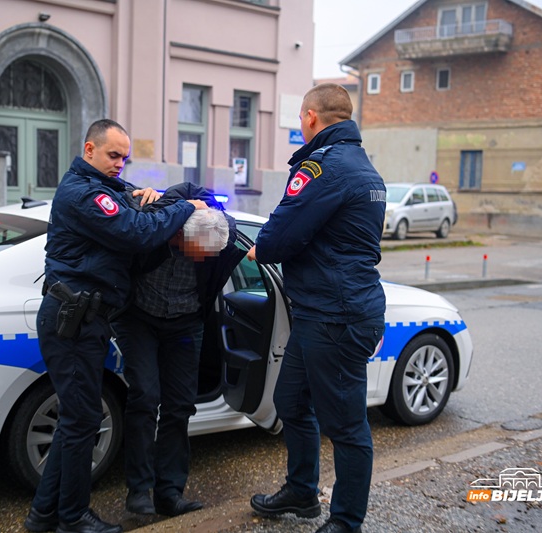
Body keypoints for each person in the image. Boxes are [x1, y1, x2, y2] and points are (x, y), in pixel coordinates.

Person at [23, 119, 207, 533]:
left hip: (86, 319)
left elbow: (134, 207)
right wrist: (184, 207)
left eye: (125, 157)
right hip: (74, 319)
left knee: (77, 419)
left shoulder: (103, 188)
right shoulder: (83, 192)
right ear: (89, 149)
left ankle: (43, 516)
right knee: (81, 421)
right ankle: (73, 518)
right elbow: (136, 232)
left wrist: (156, 197)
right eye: (113, 155)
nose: (121, 164)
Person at [247, 83, 387, 533]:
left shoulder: (322, 166)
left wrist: (261, 247)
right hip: (325, 312)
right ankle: (303, 492)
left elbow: (278, 238)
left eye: (299, 120)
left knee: (347, 426)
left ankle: (346, 521)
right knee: (291, 400)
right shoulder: (363, 166)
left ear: (310, 117)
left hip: (336, 315)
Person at [114, 184, 246, 518]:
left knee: (180, 406)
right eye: (196, 253)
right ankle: (139, 492)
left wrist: (202, 202)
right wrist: (169, 199)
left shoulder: (219, 232)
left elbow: (199, 192)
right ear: (177, 237)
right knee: (144, 397)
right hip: (140, 318)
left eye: (208, 257)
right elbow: (121, 200)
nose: (202, 260)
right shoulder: (153, 226)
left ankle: (169, 492)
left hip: (186, 324)